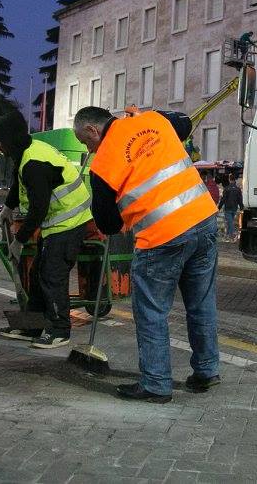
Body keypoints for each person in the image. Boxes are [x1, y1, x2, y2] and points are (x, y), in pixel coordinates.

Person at [74, 105, 220, 403]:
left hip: (162, 237)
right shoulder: (153, 120)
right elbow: (185, 122)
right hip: (203, 220)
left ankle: (156, 384)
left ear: (93, 130)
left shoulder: (101, 165)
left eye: (85, 142)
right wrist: (144, 116)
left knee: (151, 311)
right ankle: (207, 371)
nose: (88, 148)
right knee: (201, 303)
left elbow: (108, 224)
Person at [0, 110, 93, 349]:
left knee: (51, 275)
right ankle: (31, 326)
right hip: (57, 224)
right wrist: (7, 207)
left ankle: (60, 331)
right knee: (39, 274)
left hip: (71, 221)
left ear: (9, 140)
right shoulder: (26, 153)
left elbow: (38, 208)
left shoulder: (34, 162)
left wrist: (19, 240)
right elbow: (19, 183)